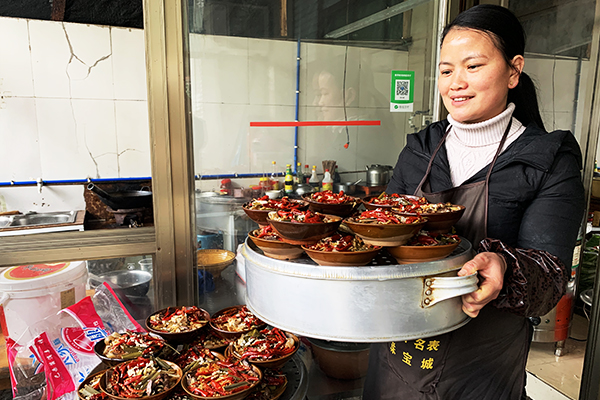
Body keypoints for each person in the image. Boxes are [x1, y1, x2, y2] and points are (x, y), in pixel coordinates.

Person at [363, 5, 585, 400]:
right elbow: (381, 229)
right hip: (399, 353)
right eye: (447, 71)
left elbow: (550, 277)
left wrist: (504, 266)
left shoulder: (547, 158)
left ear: (514, 71)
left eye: (473, 66)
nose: (456, 83)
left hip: (482, 369)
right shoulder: (421, 148)